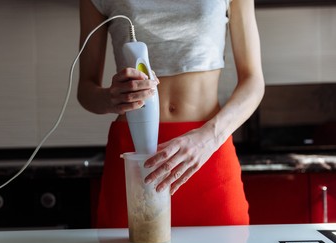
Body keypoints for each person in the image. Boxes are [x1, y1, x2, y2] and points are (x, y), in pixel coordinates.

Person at [77, 0, 264, 228]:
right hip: (136, 156)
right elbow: (85, 90)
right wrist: (111, 98)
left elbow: (253, 81)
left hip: (207, 149)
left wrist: (209, 138)